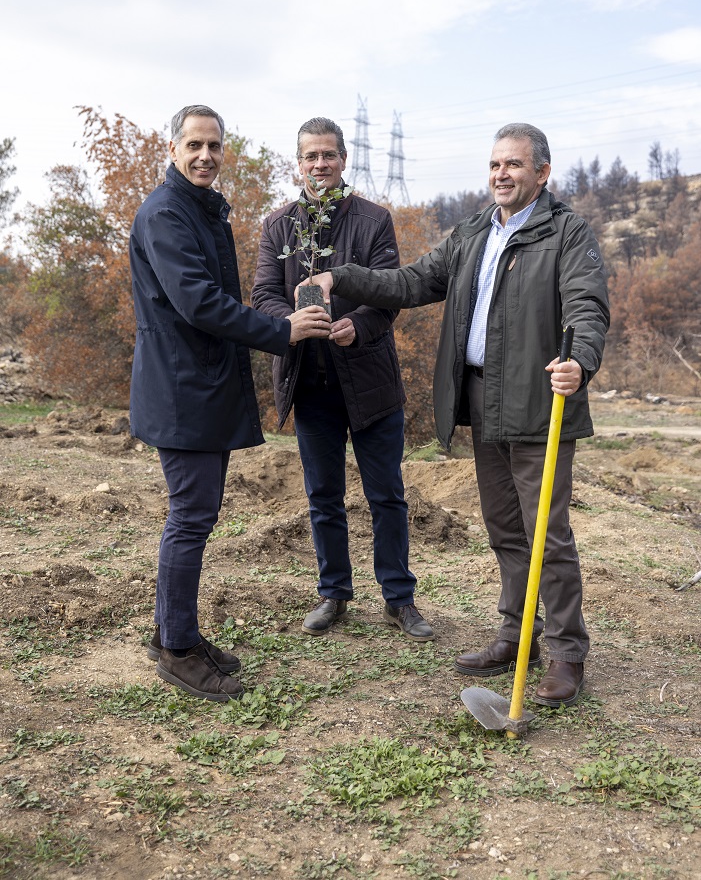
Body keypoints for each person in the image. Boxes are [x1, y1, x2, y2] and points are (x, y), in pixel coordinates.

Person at [302, 122, 609, 706]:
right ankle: (518, 636)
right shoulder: (472, 232)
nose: (501, 174)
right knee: (506, 533)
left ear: (541, 173)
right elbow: (412, 281)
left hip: (540, 403)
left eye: (514, 165)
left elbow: (588, 306)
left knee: (549, 536)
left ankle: (567, 654)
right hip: (482, 403)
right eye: (495, 164)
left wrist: (581, 362)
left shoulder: (566, 232)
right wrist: (342, 277)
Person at [130, 104, 332, 702]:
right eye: (193, 145)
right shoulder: (166, 214)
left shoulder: (200, 209)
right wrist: (282, 331)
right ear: (172, 150)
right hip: (181, 388)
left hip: (199, 383)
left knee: (196, 514)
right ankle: (176, 650)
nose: (205, 156)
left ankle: (178, 632)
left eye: (214, 146)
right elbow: (197, 303)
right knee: (190, 516)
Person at [251, 117, 433, 642]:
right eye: (310, 157)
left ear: (344, 160)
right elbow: (263, 293)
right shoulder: (278, 226)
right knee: (323, 496)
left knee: (387, 496)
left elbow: (392, 292)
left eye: (328, 155)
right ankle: (334, 594)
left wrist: (361, 325)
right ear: (298, 163)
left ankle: (400, 600)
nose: (319, 165)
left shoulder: (375, 220)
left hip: (371, 383)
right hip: (309, 384)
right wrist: (293, 322)